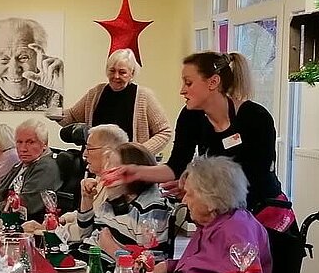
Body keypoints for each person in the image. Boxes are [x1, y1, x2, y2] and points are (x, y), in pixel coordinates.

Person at [108, 52, 289, 227]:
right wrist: (136, 172)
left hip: (265, 215)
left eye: (188, 83)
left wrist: (198, 187)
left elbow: (251, 177)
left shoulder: (256, 118)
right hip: (223, 217)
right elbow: (175, 167)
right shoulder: (191, 116)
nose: (182, 90)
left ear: (213, 82)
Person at [155, 157, 271, 273]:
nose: (184, 201)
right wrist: (168, 266)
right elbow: (204, 265)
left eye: (189, 194)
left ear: (209, 200)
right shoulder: (211, 222)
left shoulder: (236, 231)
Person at [60, 49, 172, 155]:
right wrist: (50, 110)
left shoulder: (144, 97)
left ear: (132, 73)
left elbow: (164, 131)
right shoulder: (96, 93)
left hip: (128, 166)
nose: (116, 76)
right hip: (95, 164)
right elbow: (72, 117)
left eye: (122, 72)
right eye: (112, 71)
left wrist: (139, 152)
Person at [71, 143, 171, 256]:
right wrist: (87, 199)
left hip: (107, 270)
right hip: (84, 258)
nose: (105, 172)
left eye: (112, 167)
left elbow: (148, 267)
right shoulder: (116, 198)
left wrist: (111, 248)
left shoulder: (150, 209)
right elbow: (85, 235)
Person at [0, 17, 63, 113]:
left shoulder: (58, 87)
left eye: (23, 57)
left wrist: (63, 88)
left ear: (38, 57)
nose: (14, 70)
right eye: (3, 59)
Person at [0, 118, 60, 219]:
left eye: (30, 142)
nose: (23, 148)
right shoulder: (22, 164)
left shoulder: (46, 167)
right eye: (19, 142)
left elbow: (25, 203)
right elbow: (2, 190)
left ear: (44, 145)